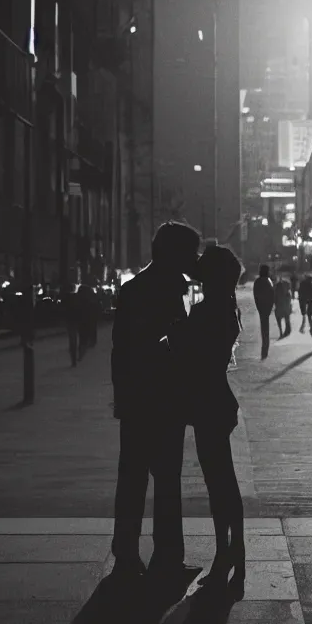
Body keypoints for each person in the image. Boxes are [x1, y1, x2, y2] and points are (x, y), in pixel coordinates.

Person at [110, 221, 201, 581]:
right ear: (175, 252)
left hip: (138, 397)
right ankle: (167, 555)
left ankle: (127, 553)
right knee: (166, 480)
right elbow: (189, 342)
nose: (194, 258)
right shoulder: (184, 290)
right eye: (190, 252)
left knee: (133, 477)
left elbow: (121, 349)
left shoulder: (134, 288)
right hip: (165, 396)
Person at [166, 245, 245, 599]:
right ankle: (233, 554)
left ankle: (225, 555)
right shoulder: (227, 310)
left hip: (205, 403)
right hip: (219, 400)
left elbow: (178, 346)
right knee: (224, 482)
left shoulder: (204, 312)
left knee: (218, 484)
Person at [73, 281, 100, 359]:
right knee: (91, 330)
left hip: (82, 319)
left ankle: (82, 347)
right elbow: (97, 307)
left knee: (82, 334)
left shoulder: (78, 298)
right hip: (90, 318)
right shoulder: (92, 298)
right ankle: (89, 343)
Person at [253, 264, 274, 360]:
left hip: (261, 306)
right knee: (266, 327)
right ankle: (265, 349)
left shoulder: (257, 281)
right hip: (267, 307)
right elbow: (272, 295)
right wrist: (270, 307)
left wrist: (259, 307)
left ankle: (264, 349)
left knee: (264, 327)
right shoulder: (269, 281)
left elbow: (255, 295)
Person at [61, 281, 79, 367]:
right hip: (75, 319)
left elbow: (63, 309)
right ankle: (74, 357)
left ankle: (73, 357)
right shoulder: (77, 297)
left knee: (72, 338)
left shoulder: (65, 298)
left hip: (69, 320)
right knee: (74, 337)